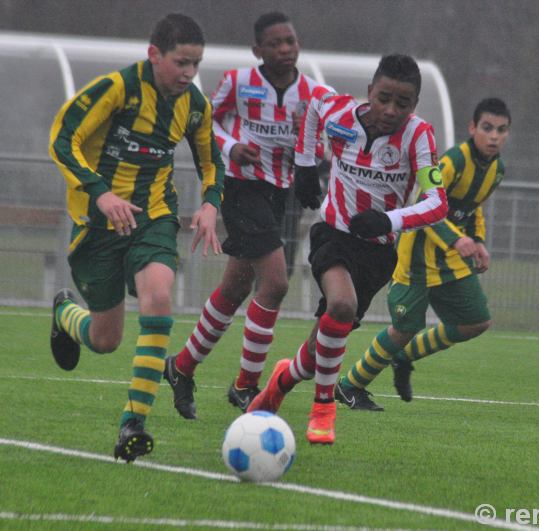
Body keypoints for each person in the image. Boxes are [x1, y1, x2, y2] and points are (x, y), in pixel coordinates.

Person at [48, 13, 224, 461]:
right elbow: (62, 139)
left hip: (154, 217)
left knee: (159, 298)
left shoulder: (194, 104)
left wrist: (209, 205)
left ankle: (133, 424)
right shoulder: (118, 88)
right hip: (98, 226)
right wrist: (101, 194)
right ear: (154, 55)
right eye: (181, 62)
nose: (188, 74)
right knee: (105, 340)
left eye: (196, 64)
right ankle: (65, 314)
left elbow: (211, 161)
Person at [247, 54, 449, 444]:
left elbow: (437, 203)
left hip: (377, 252)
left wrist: (389, 220)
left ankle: (281, 382)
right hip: (333, 234)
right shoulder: (338, 112)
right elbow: (312, 106)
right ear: (370, 91)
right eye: (383, 98)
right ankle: (324, 408)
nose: (390, 110)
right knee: (341, 305)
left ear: (415, 106)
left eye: (402, 104)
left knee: (321, 344)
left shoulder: (418, 136)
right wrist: (305, 165)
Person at [163, 12, 328, 419]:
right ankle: (246, 385)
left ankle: (181, 367)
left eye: (290, 41)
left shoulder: (313, 94)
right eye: (276, 43)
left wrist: (312, 146)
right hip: (241, 188)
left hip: (282, 196)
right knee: (275, 283)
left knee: (236, 288)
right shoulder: (238, 84)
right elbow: (201, 123)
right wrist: (232, 146)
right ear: (258, 51)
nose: (286, 49)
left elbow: (325, 145)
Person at [335, 98, 511, 410]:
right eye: (487, 128)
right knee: (404, 328)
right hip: (416, 258)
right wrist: (456, 241)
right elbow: (425, 202)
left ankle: (403, 357)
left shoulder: (496, 170)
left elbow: (473, 209)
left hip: (450, 262)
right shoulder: (453, 161)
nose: (494, 136)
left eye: (501, 130)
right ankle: (349, 386)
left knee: (476, 321)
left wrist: (478, 240)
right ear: (472, 129)